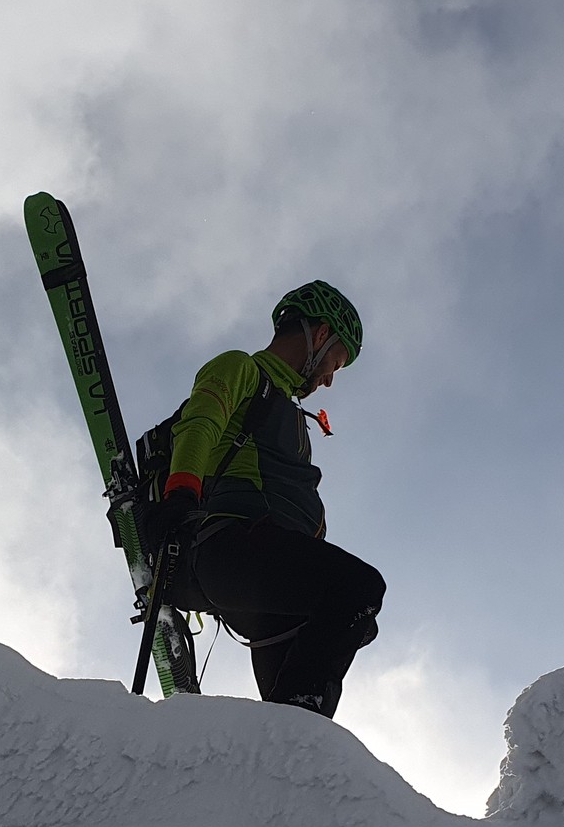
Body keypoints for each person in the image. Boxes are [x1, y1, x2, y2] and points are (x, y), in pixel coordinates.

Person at [140, 281, 384, 718]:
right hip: (231, 548)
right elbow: (200, 425)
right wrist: (179, 494)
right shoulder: (243, 370)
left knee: (302, 722)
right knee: (359, 587)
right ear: (321, 334)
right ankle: (293, 740)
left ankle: (288, 758)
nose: (329, 378)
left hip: (264, 585)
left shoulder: (292, 418)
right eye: (336, 361)